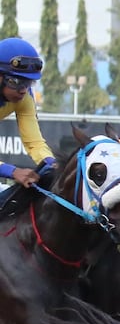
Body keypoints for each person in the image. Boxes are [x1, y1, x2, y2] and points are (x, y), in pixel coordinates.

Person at [0, 38, 56, 212]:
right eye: (15, 82)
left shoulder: (25, 98)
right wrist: (13, 171)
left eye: (28, 82)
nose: (23, 90)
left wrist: (51, 163)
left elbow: (34, 143)